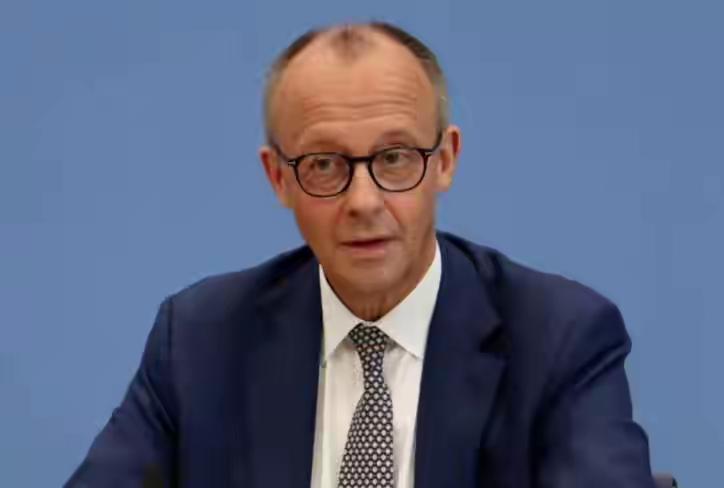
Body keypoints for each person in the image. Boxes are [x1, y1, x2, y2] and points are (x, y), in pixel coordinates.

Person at [66, 22, 655, 488]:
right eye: (324, 164)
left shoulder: (559, 339)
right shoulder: (200, 340)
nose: (364, 202)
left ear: (445, 161)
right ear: (278, 178)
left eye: (395, 158)